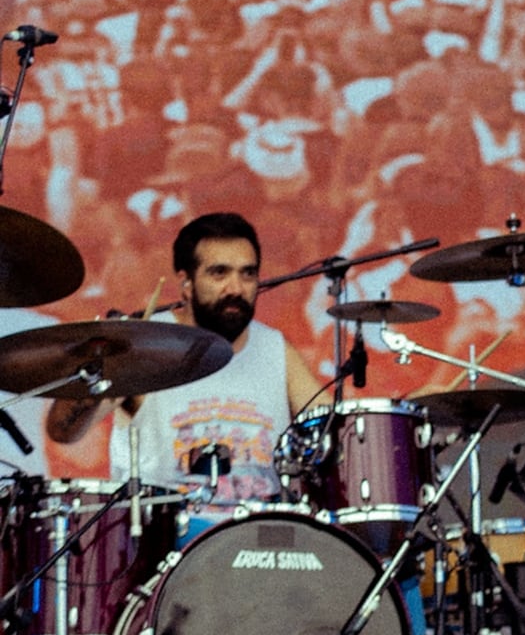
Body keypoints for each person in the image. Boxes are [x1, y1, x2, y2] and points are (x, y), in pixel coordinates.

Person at [46, 210, 320, 505]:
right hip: (167, 541)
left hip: (261, 541)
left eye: (248, 273)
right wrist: (106, 366)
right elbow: (63, 431)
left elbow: (334, 430)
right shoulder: (145, 345)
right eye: (219, 273)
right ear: (186, 283)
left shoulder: (274, 349)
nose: (236, 288)